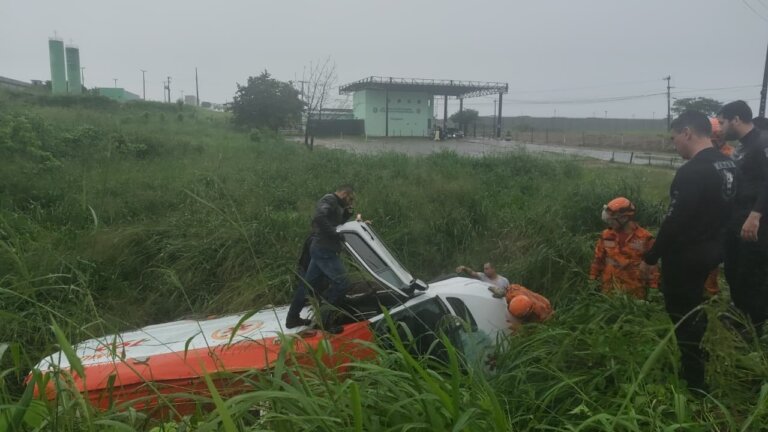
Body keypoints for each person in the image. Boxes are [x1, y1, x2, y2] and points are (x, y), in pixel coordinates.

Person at [643, 110, 737, 390]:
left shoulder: (692, 172)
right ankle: (699, 352)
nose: (675, 145)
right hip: (713, 250)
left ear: (687, 133)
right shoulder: (728, 164)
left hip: (686, 255)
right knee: (695, 305)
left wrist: (651, 257)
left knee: (682, 314)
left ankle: (695, 380)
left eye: (675, 139)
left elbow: (675, 221)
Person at [718, 101, 768, 334]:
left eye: (722, 122)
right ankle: (739, 313)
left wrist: (756, 214)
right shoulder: (740, 147)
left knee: (753, 272)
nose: (720, 127)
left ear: (735, 119)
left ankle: (754, 326)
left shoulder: (762, 141)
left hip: (756, 220)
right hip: (735, 219)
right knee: (733, 269)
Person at [286, 185, 357, 333]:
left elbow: (334, 222)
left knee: (307, 286)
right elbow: (319, 217)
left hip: (322, 249)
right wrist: (334, 234)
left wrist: (348, 213)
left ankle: (292, 318)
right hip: (324, 250)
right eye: (350, 199)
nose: (350, 202)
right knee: (342, 283)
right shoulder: (329, 200)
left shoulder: (336, 205)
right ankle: (325, 320)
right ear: (344, 193)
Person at [589, 197, 659, 299]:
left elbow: (652, 266)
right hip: (609, 293)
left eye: (612, 220)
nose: (610, 222)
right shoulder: (606, 235)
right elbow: (598, 260)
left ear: (624, 218)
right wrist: (592, 280)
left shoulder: (645, 238)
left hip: (634, 294)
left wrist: (653, 288)